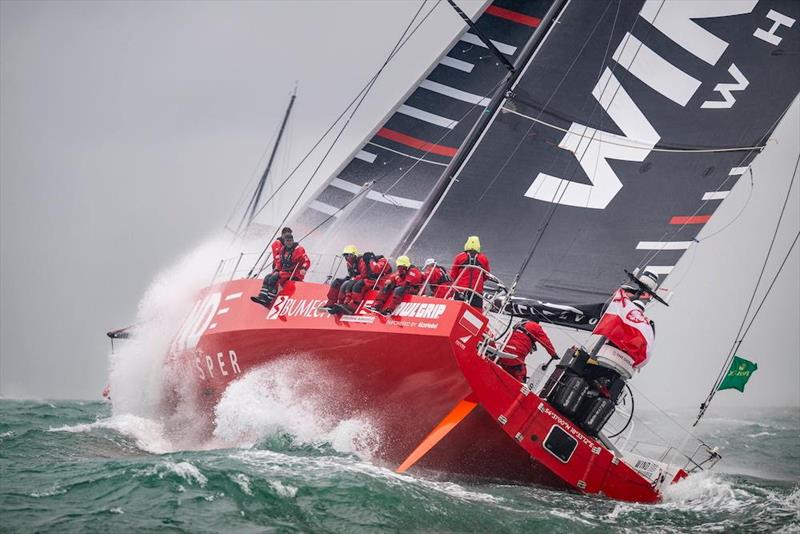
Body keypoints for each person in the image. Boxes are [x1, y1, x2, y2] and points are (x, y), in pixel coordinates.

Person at [250, 233, 310, 308]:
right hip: (284, 271)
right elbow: (279, 262)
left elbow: (306, 260)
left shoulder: (298, 249)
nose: (289, 242)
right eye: (287, 241)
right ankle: (262, 296)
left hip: (294, 273)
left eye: (291, 241)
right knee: (268, 277)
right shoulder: (283, 249)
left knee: (274, 277)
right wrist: (276, 269)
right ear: (284, 241)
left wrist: (304, 268)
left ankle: (269, 299)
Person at [449, 235, 491, 308]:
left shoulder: (459, 257)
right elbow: (486, 275)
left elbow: (453, 274)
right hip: (476, 290)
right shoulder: (484, 259)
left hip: (461, 289)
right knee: (476, 310)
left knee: (456, 308)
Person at [320, 245, 361, 313]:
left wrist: (354, 278)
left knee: (346, 284)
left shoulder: (361, 261)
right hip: (354, 279)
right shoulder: (349, 264)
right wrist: (352, 278)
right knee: (337, 282)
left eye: (348, 255)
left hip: (360, 280)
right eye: (345, 255)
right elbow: (351, 274)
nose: (347, 257)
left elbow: (364, 274)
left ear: (354, 255)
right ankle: (331, 304)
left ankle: (343, 304)